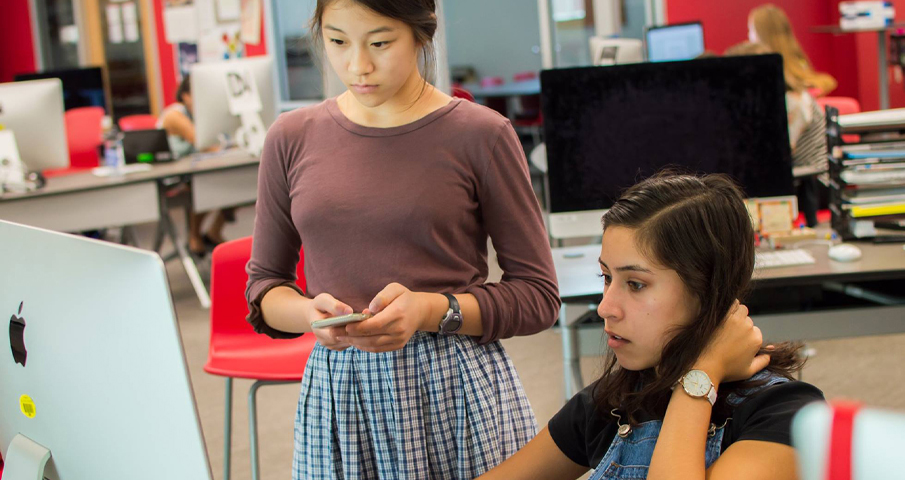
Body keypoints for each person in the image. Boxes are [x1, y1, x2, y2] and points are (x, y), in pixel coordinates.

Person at [244, 0, 560, 478]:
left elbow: (538, 297)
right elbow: (265, 287)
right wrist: (308, 314)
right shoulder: (291, 137)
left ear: (421, 34)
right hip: (342, 397)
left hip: (455, 390)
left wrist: (429, 310)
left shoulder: (481, 134)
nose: (357, 65)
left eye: (380, 43)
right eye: (337, 41)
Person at [478, 173, 824, 480]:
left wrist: (700, 377)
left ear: (707, 291)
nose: (605, 308)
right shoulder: (610, 402)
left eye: (636, 284)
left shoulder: (784, 415)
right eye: (606, 277)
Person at [725, 40, 827, 226]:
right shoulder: (773, 101)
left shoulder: (791, 103)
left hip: (814, 186)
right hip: (797, 182)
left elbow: (780, 155)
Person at [156, 75, 233, 256]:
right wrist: (224, 145)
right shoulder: (174, 114)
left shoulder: (199, 115)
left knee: (234, 181)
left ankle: (214, 231)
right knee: (208, 184)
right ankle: (194, 236)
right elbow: (199, 140)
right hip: (170, 177)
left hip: (193, 171)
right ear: (185, 96)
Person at [749, 4, 837, 97]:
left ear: (760, 35)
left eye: (751, 30)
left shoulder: (761, 72)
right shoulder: (799, 62)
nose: (749, 35)